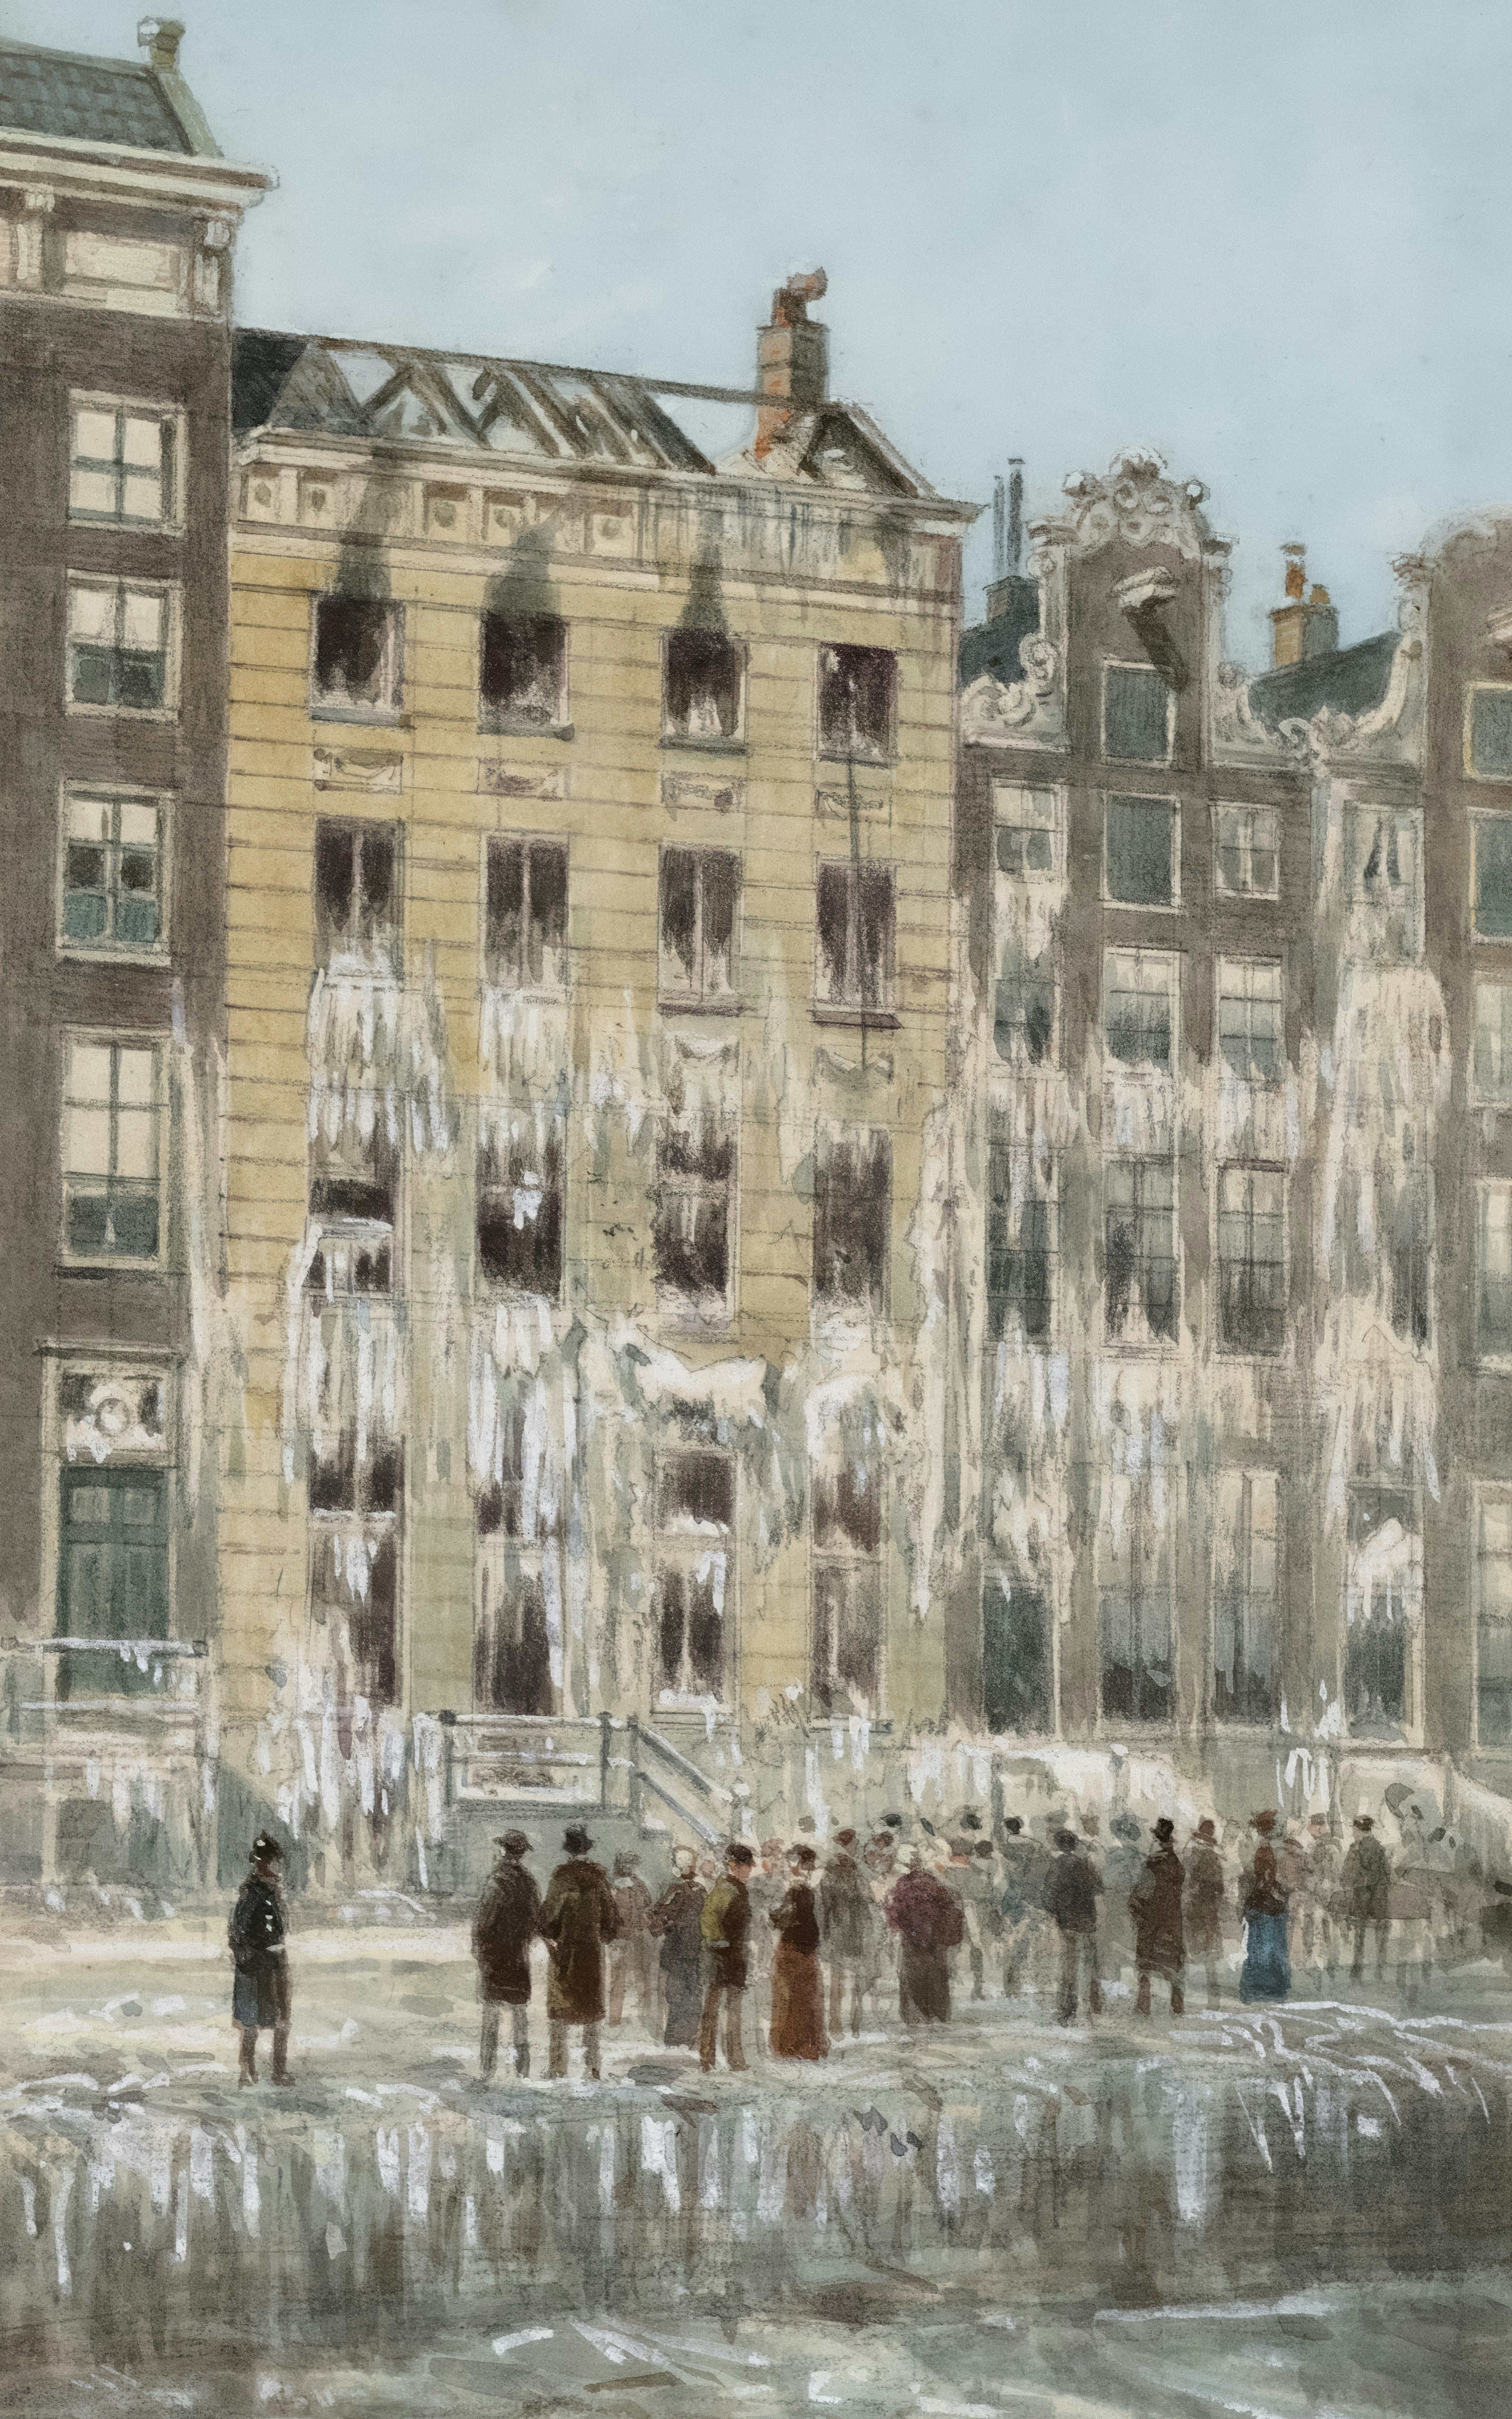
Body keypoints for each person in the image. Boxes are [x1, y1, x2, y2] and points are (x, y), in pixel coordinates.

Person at [538, 1822, 619, 2080]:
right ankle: (593, 2066)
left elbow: (548, 1919)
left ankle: (557, 2067)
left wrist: (550, 1936)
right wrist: (600, 1936)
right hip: (591, 1954)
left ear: (568, 1850)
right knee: (591, 2009)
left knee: (560, 2009)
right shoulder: (600, 1879)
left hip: (565, 1953)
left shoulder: (560, 1879)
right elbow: (611, 1920)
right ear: (586, 1850)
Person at [471, 1828, 540, 2079]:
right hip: (518, 1956)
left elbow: (483, 1922)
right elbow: (536, 1920)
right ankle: (523, 2070)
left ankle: (488, 2069)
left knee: (491, 2011)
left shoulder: (496, 1881)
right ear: (521, 1854)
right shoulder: (529, 1882)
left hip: (495, 1956)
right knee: (519, 2011)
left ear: (503, 1850)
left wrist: (478, 1948)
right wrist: (524, 1939)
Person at [229, 1832, 295, 2087]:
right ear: (262, 1863)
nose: (276, 1866)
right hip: (257, 1965)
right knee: (250, 2022)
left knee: (281, 2020)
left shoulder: (272, 1890)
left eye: (275, 1861)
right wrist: (249, 1958)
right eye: (272, 1861)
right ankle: (247, 2071)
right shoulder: (252, 1892)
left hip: (275, 1962)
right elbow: (237, 1932)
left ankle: (278, 2071)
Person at [886, 1847, 965, 2024]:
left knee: (914, 1975)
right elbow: (948, 1907)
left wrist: (905, 1929)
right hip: (934, 1938)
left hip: (913, 1937)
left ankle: (915, 2015)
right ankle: (938, 2014)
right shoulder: (934, 1883)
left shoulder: (903, 1884)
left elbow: (896, 1913)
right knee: (936, 1974)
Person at [699, 1841, 754, 2072]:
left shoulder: (740, 1890)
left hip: (736, 1957)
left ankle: (735, 2059)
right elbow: (708, 1919)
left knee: (733, 2010)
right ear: (734, 1866)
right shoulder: (724, 1889)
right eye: (745, 1867)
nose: (749, 1871)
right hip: (720, 1957)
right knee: (713, 2008)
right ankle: (707, 2056)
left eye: (749, 1867)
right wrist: (721, 1943)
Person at [770, 1844, 829, 2059]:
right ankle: (795, 2048)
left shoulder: (804, 1890)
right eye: (808, 1865)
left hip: (801, 1949)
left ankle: (800, 2047)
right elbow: (782, 1919)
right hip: (797, 1949)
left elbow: (784, 1919)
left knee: (802, 1998)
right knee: (797, 1998)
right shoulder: (796, 1890)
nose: (810, 1870)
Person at [648, 1845, 706, 2049]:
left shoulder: (697, 1889)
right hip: (680, 1950)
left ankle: (687, 2038)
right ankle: (678, 2039)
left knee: (689, 1994)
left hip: (691, 1949)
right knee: (679, 1994)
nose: (688, 1867)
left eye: (689, 1863)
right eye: (684, 1863)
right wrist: (666, 1924)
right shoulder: (676, 1889)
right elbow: (656, 1917)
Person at [819, 1827, 875, 2038]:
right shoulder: (852, 1876)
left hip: (842, 1932)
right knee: (849, 1981)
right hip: (848, 1933)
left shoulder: (831, 1877)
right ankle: (850, 2024)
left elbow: (825, 1908)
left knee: (840, 1981)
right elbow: (868, 1901)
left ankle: (840, 2024)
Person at [1043, 1828, 1103, 2024]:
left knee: (1069, 1963)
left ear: (1059, 1845)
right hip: (1087, 1919)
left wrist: (1054, 1912)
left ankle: (1068, 2007)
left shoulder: (1057, 1865)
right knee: (1090, 1960)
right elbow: (1099, 1888)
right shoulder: (1085, 1864)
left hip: (1067, 1920)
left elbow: (1049, 1894)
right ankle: (1095, 2003)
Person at [1130, 1817, 1186, 2017]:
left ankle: (1144, 2005)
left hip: (1152, 1919)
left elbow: (1140, 1894)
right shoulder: (1176, 1863)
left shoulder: (1152, 1864)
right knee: (1173, 1962)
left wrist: (1136, 1909)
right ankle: (1177, 2005)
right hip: (1172, 1920)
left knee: (1146, 1963)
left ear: (1156, 1839)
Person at [1239, 1810, 1291, 2003]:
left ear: (1260, 1830)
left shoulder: (1262, 1850)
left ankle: (1258, 1990)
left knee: (1260, 1946)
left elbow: (1259, 1879)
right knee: (1275, 1946)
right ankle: (1276, 1990)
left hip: (1263, 1903)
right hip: (1277, 1904)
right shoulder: (1281, 1849)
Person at [1342, 1812, 1392, 1985]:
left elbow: (1346, 1875)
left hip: (1361, 1901)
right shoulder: (1379, 1849)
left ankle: (1357, 1971)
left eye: (1354, 1830)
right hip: (1379, 1902)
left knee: (1360, 1935)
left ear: (1358, 1830)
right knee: (1381, 1934)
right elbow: (1388, 1875)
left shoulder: (1355, 1849)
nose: (1353, 1833)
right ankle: (1380, 1971)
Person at [997, 1816, 1044, 1997]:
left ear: (1008, 1829)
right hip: (1029, 1894)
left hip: (1011, 1894)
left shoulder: (1005, 1847)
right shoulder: (1032, 1844)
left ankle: (1011, 1986)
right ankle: (1022, 1982)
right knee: (1025, 1939)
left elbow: (1003, 1874)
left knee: (1009, 1939)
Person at [607, 1850, 653, 2030]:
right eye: (625, 1863)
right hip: (619, 1938)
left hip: (636, 1935)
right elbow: (608, 1912)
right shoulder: (612, 1886)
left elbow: (648, 1902)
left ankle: (644, 2017)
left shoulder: (638, 1884)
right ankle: (615, 2019)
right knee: (618, 1977)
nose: (628, 1866)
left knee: (640, 1974)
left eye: (630, 1863)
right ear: (619, 1865)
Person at [1184, 1818, 1226, 2007]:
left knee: (1194, 1948)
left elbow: (1187, 1881)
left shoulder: (1192, 1853)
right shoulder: (1214, 1858)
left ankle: (1190, 1997)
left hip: (1196, 1907)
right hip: (1209, 1909)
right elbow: (1220, 1889)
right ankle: (1213, 1998)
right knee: (1209, 1953)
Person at [1300, 1812, 1341, 1983]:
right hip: (1326, 1898)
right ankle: (1327, 1969)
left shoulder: (1321, 1848)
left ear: (1319, 1828)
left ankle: (1319, 1968)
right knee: (1326, 1933)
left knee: (1318, 1932)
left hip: (1320, 1898)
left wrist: (1315, 1887)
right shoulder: (1333, 1846)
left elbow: (1317, 1875)